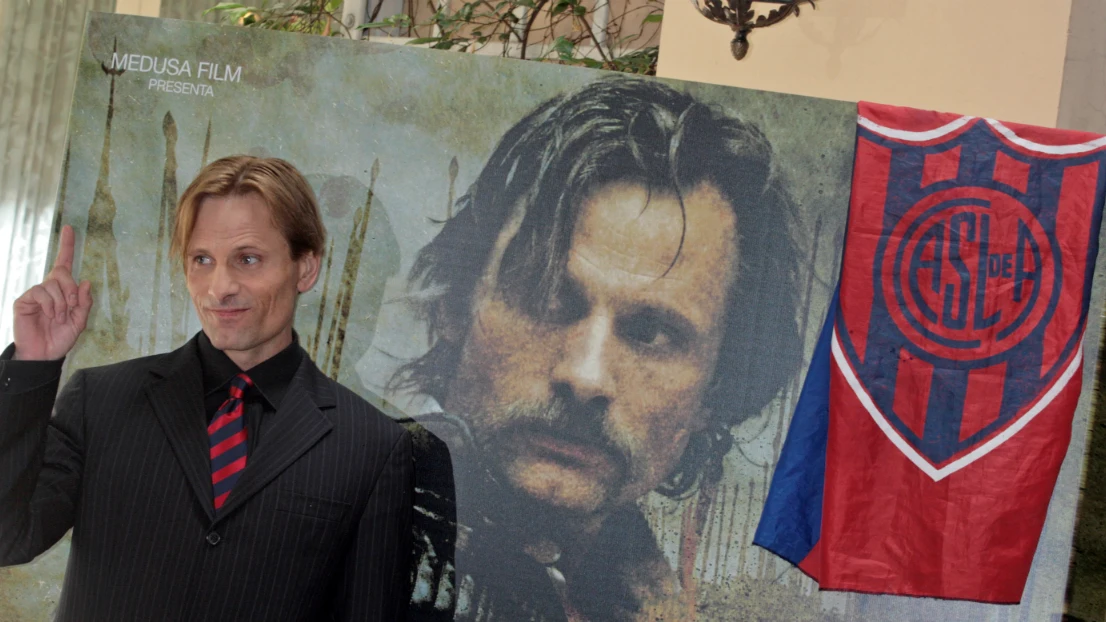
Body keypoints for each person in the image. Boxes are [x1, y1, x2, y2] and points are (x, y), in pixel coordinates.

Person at [398, 78, 803, 621]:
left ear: (716, 391)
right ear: (455, 304)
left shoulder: (639, 594)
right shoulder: (329, 522)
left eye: (651, 333)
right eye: (546, 297)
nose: (585, 376)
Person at [0, 156, 414, 621]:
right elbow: (7, 537)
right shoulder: (100, 399)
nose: (220, 288)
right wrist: (33, 366)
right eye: (202, 260)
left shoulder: (372, 447)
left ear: (306, 269)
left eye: (248, 259)